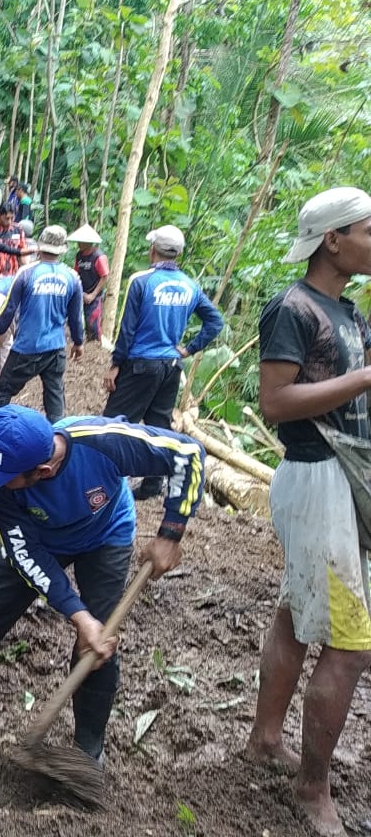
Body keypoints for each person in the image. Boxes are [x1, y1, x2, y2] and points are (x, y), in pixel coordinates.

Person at [0, 404, 205, 769]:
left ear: (42, 471)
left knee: (98, 642)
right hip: (38, 540)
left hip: (105, 535)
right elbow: (25, 553)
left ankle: (87, 753)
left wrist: (171, 533)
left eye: (0, 476)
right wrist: (77, 614)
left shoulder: (104, 443)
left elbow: (187, 453)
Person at [245, 187, 371, 837]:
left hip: (338, 483)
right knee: (349, 648)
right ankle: (313, 789)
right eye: (368, 230)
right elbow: (276, 401)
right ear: (333, 240)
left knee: (297, 617)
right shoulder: (292, 309)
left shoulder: (346, 312)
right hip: (315, 480)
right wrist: (364, 378)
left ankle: (266, 741)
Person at [102, 225, 222, 499]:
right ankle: (153, 484)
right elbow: (215, 321)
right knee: (158, 425)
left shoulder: (142, 281)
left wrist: (115, 363)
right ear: (178, 254)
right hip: (170, 367)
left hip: (141, 364)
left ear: (153, 249)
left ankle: (106, 481)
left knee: (114, 424)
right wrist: (189, 350)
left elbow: (127, 328)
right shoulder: (190, 285)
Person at [0, 225, 84, 422]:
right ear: (62, 249)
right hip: (56, 347)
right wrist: (78, 341)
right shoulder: (72, 277)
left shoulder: (26, 273)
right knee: (55, 397)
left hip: (27, 347)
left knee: (1, 393)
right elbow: (76, 315)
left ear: (40, 246)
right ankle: (58, 440)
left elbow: (9, 308)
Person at [68, 224, 109, 342]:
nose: (78, 243)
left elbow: (104, 276)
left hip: (94, 296)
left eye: (81, 241)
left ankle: (96, 345)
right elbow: (76, 273)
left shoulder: (98, 257)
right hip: (82, 292)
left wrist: (93, 294)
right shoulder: (79, 255)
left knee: (93, 323)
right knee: (78, 319)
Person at [0, 209, 28, 277]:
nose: (9, 221)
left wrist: (26, 268)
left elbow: (22, 250)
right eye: (7, 218)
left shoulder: (18, 229)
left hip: (12, 272)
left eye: (12, 218)